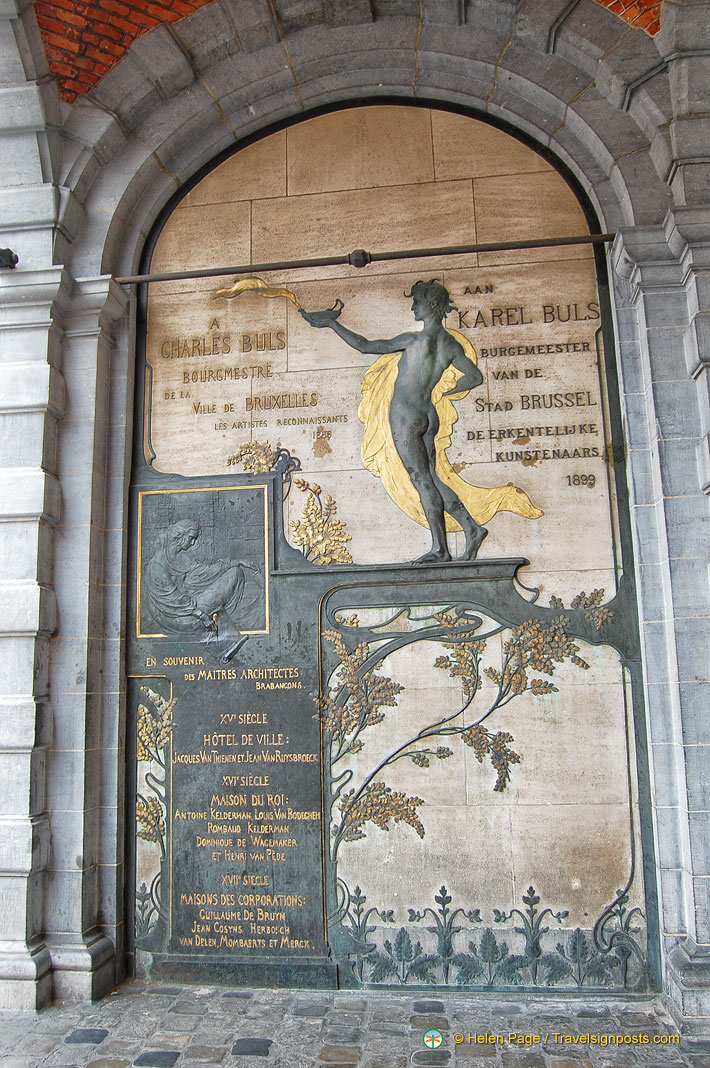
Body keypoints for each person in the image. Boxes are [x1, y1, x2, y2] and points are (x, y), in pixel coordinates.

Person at [301, 280, 488, 562]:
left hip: (406, 416)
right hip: (428, 414)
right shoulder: (450, 345)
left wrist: (331, 323)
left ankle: (440, 549)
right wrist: (446, 391)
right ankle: (472, 528)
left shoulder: (413, 341)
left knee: (421, 480)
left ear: (432, 305)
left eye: (417, 302)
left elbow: (364, 346)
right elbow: (474, 377)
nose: (414, 308)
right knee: (431, 478)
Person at [143, 519, 257, 649]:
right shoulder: (156, 566)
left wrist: (237, 562)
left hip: (191, 604)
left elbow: (206, 572)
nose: (193, 543)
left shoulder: (181, 558)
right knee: (234, 575)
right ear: (180, 536)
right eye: (191, 538)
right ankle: (224, 642)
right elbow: (173, 600)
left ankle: (224, 637)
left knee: (234, 573)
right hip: (178, 616)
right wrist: (202, 616)